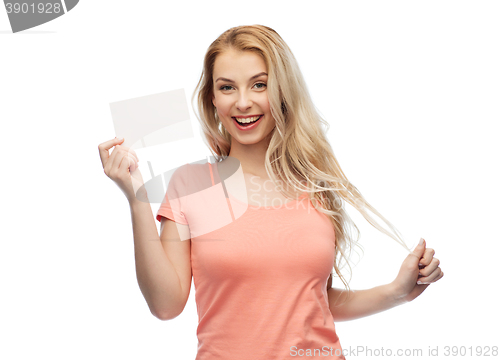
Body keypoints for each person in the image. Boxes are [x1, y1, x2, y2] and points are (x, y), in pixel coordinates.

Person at [98, 24, 444, 360]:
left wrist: (397, 293)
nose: (243, 102)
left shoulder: (315, 186)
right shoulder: (193, 185)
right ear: (213, 98)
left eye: (259, 84)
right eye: (227, 88)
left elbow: (312, 300)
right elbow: (166, 305)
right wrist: (135, 196)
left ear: (282, 90)